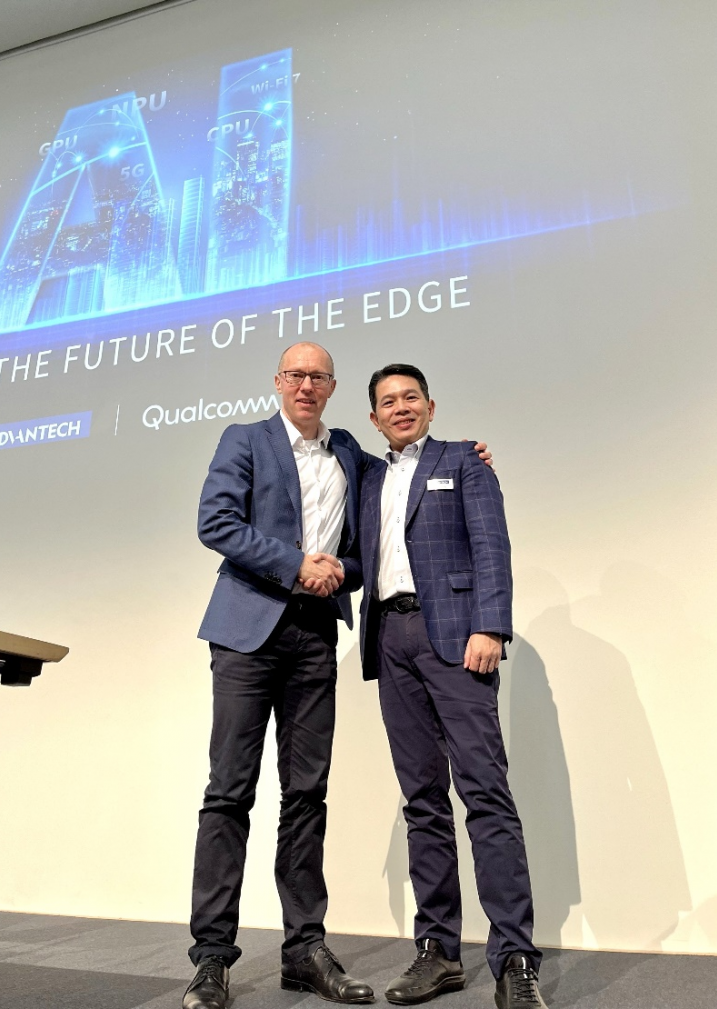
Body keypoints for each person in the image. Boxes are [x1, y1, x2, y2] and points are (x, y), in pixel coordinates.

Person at [183, 343, 492, 1009]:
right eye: (295, 374)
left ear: (331, 387)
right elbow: (216, 522)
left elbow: (378, 523)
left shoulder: (351, 450)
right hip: (245, 635)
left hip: (314, 638)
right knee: (229, 792)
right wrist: (295, 563)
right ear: (279, 381)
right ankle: (211, 957)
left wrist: (467, 457)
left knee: (306, 795)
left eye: (318, 376)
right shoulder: (244, 439)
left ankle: (304, 949)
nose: (306, 384)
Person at [358, 363, 547, 1009]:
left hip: (459, 638)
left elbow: (492, 545)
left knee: (485, 794)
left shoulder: (465, 460)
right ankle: (438, 951)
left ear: (431, 406)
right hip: (391, 640)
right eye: (388, 401)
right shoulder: (369, 477)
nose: (401, 407)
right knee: (422, 801)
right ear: (374, 417)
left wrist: (490, 625)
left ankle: (515, 957)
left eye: (411, 396)